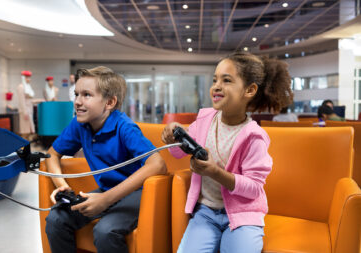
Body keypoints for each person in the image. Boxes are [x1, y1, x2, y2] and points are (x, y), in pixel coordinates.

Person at [162, 52, 293, 253]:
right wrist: (174, 138)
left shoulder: (254, 136)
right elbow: (178, 154)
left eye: (227, 80)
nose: (216, 86)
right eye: (215, 80)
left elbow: (254, 188)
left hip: (243, 216)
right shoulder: (205, 120)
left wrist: (215, 172)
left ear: (249, 90)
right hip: (205, 214)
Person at [45, 66, 166, 253]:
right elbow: (52, 154)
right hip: (106, 190)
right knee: (56, 219)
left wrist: (105, 200)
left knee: (105, 231)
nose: (77, 102)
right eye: (76, 94)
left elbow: (158, 164)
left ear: (109, 102)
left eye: (86, 95)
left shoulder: (125, 127)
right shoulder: (80, 124)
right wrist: (61, 184)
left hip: (138, 192)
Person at [17, 70, 35, 140]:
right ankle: (22, 149)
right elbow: (22, 101)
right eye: (27, 77)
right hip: (25, 112)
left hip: (29, 111)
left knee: (28, 131)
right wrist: (25, 112)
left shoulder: (28, 87)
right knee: (25, 132)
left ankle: (25, 148)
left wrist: (39, 100)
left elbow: (29, 100)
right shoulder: (21, 87)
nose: (29, 79)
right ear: (23, 78)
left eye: (29, 77)